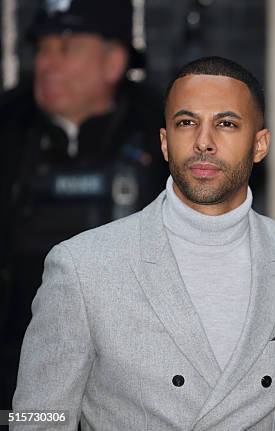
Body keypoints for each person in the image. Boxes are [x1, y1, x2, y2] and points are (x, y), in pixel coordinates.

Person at [12, 55, 275, 430]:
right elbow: (35, 419)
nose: (204, 142)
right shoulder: (82, 267)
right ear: (165, 142)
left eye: (227, 124)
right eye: (187, 123)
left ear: (260, 144)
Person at [0, 0, 166, 408]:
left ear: (113, 61)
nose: (48, 63)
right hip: (16, 375)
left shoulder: (164, 136)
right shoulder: (7, 131)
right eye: (43, 48)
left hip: (135, 384)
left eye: (68, 48)